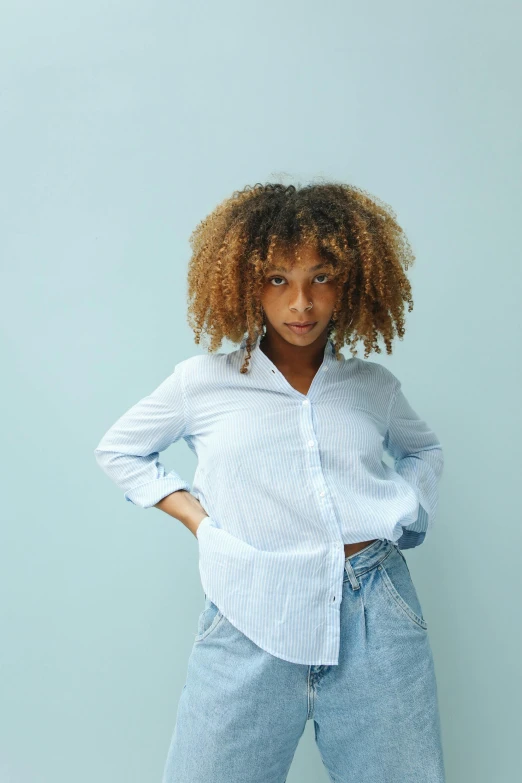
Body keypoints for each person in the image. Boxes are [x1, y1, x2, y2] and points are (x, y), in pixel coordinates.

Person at [94, 181, 446, 782]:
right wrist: (199, 521)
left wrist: (405, 504)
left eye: (320, 277)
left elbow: (424, 450)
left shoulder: (372, 387)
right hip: (251, 605)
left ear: (351, 282)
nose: (301, 303)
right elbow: (120, 449)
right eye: (279, 279)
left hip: (375, 615)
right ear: (245, 282)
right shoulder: (202, 383)